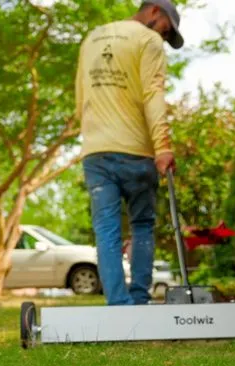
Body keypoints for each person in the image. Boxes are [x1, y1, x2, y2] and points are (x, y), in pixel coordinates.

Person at [75, 0, 184, 306]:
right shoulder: (147, 40)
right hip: (136, 151)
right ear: (153, 11)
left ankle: (118, 307)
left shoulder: (92, 38)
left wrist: (92, 138)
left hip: (96, 152)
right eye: (167, 27)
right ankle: (138, 301)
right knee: (142, 226)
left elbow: (80, 98)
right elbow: (153, 94)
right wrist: (162, 147)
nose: (164, 35)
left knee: (106, 229)